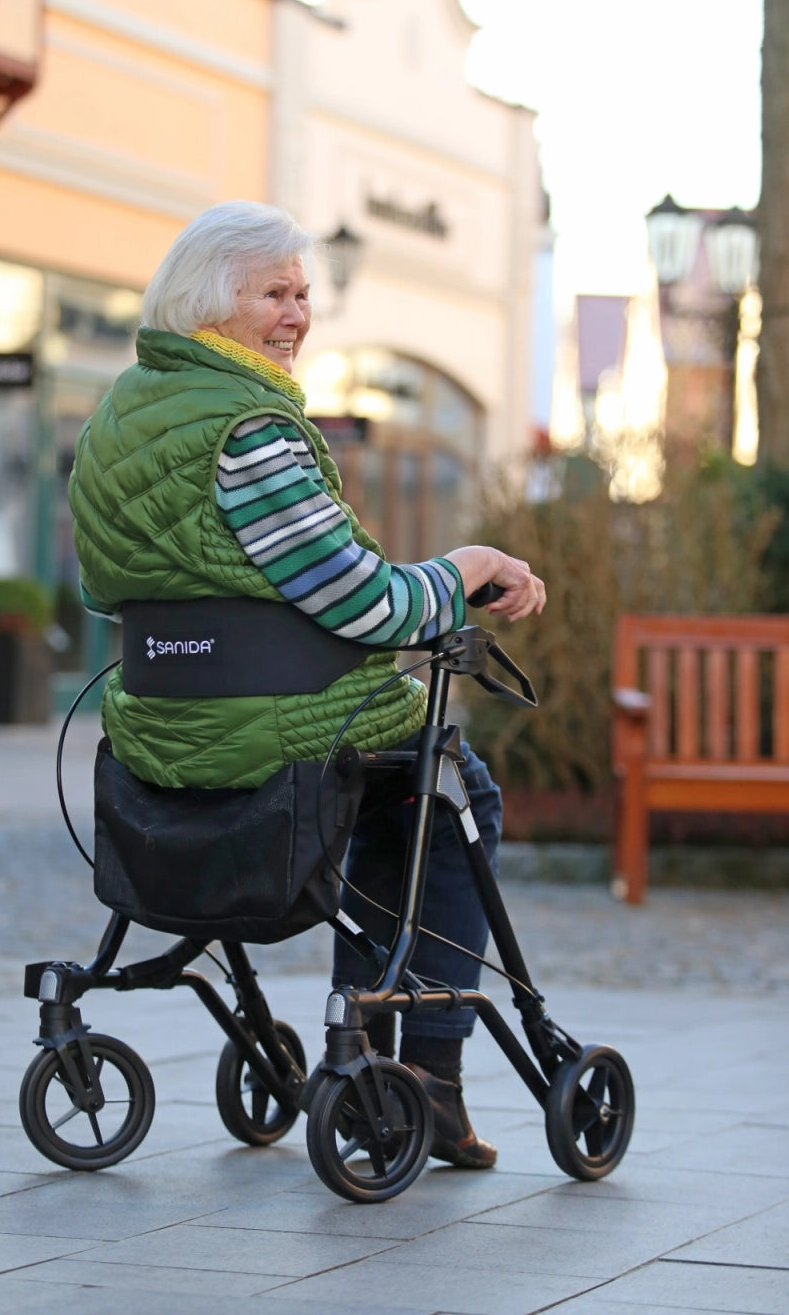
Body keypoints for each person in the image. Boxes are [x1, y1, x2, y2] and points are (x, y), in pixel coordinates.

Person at [69, 201, 545, 1170]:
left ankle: (371, 1050)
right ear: (211, 303)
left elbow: (100, 588)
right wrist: (465, 565)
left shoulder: (122, 408)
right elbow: (366, 606)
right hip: (277, 727)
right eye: (274, 294)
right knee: (444, 797)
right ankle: (420, 1071)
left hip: (159, 719)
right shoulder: (248, 427)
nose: (297, 314)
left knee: (399, 795)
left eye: (302, 294)